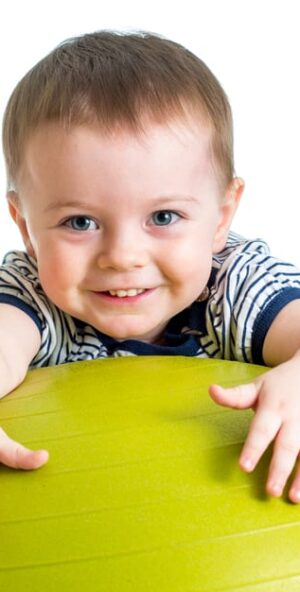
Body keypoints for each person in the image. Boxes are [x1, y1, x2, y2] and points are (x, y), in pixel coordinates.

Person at [1, 30, 300, 503]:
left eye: (163, 217)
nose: (122, 256)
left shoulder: (235, 282)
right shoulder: (34, 290)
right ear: (25, 227)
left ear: (221, 217)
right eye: (79, 222)